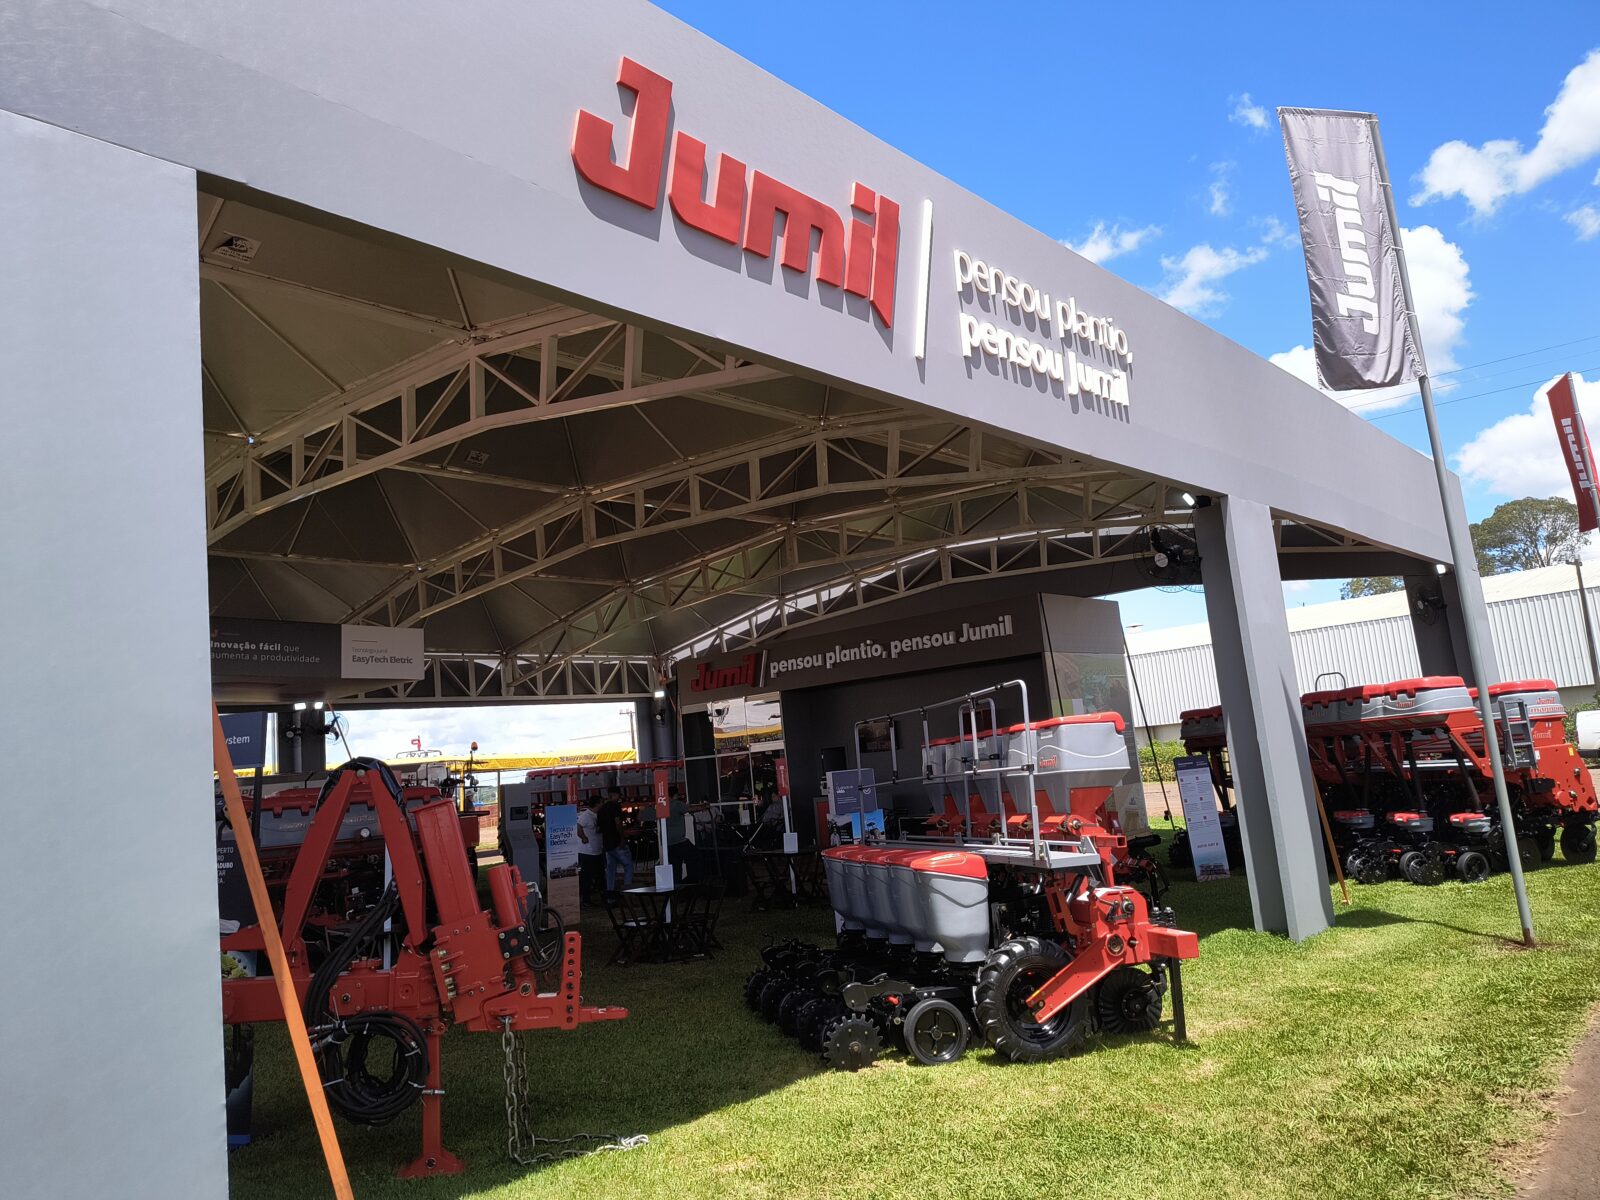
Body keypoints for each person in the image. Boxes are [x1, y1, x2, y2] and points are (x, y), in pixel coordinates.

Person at [599, 790, 634, 891]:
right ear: (614, 795)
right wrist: (622, 837)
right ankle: (627, 891)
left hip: (607, 843)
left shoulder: (601, 809)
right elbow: (617, 822)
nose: (619, 798)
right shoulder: (615, 806)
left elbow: (599, 828)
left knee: (611, 869)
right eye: (619, 795)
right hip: (616, 841)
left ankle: (610, 892)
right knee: (628, 865)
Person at [575, 795, 605, 904]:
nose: (603, 804)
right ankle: (586, 899)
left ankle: (601, 895)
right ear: (597, 804)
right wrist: (583, 837)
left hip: (597, 850)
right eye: (601, 802)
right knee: (587, 875)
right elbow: (578, 827)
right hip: (587, 851)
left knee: (599, 874)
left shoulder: (597, 815)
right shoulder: (586, 815)